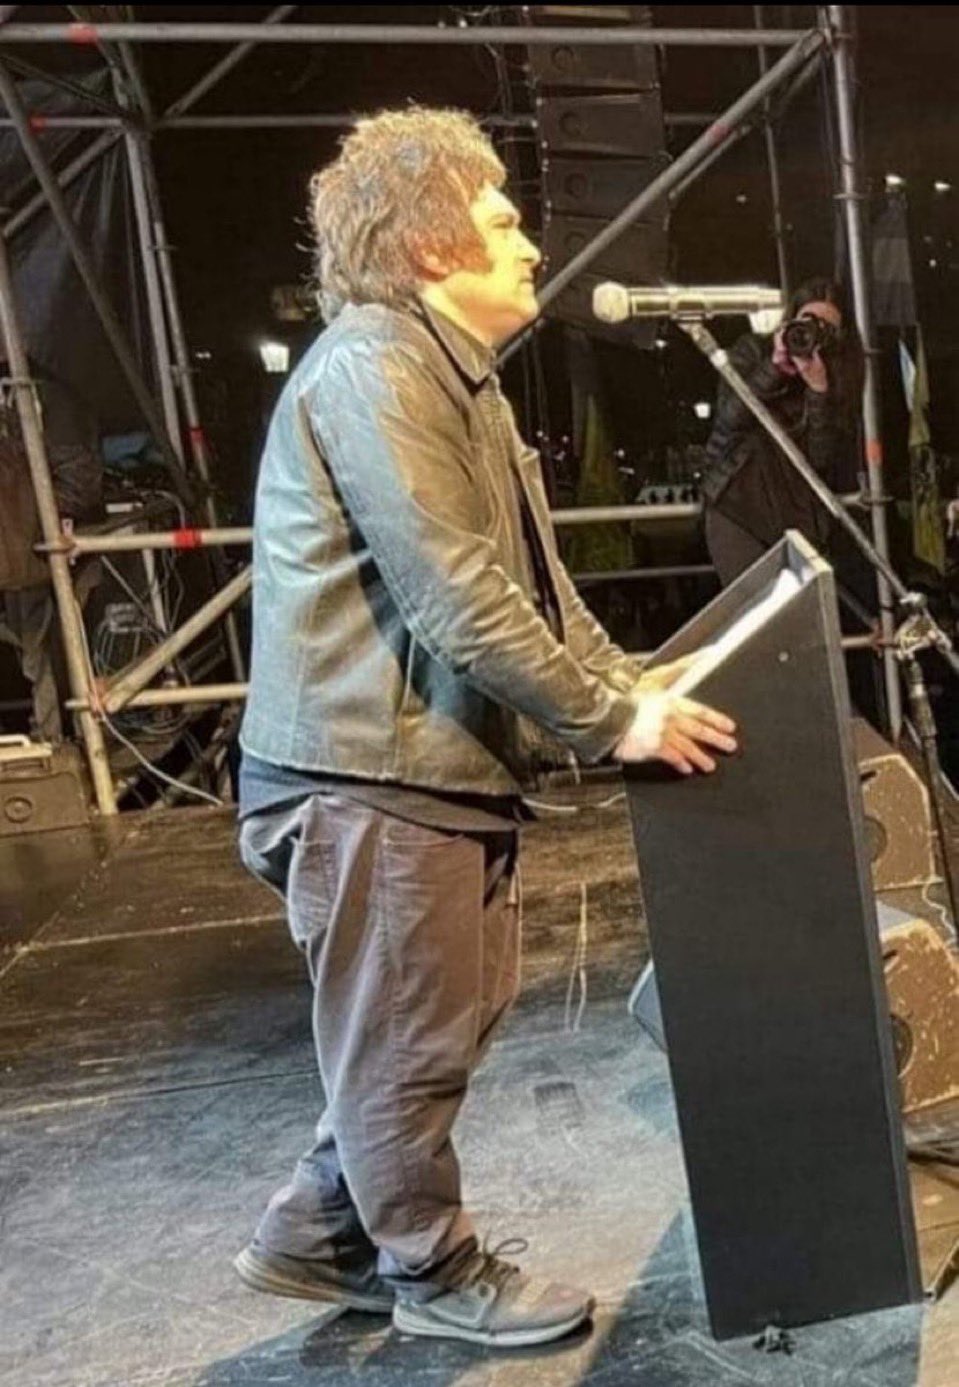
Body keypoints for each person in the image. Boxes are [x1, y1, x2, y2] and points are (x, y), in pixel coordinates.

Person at [235, 106, 737, 1350]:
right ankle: (429, 1270)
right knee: (408, 1041)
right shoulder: (375, 369)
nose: (528, 242)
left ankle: (318, 1233)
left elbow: (534, 593)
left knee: (438, 1020)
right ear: (425, 243)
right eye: (501, 218)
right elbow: (455, 597)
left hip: (423, 769)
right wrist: (609, 719)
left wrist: (631, 681)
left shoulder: (455, 378)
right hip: (365, 773)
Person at [701, 278, 863, 587]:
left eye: (826, 329)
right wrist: (774, 368)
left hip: (799, 515)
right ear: (791, 319)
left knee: (805, 609)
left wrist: (818, 391)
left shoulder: (838, 376)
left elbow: (821, 458)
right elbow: (730, 417)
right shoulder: (753, 350)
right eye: (807, 321)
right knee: (754, 606)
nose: (812, 333)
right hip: (737, 504)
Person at [0, 352, 103, 741]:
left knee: (50, 654)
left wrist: (27, 521)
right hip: (20, 557)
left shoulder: (46, 399)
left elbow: (79, 483)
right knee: (34, 655)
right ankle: (50, 735)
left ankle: (59, 740)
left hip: (42, 556)